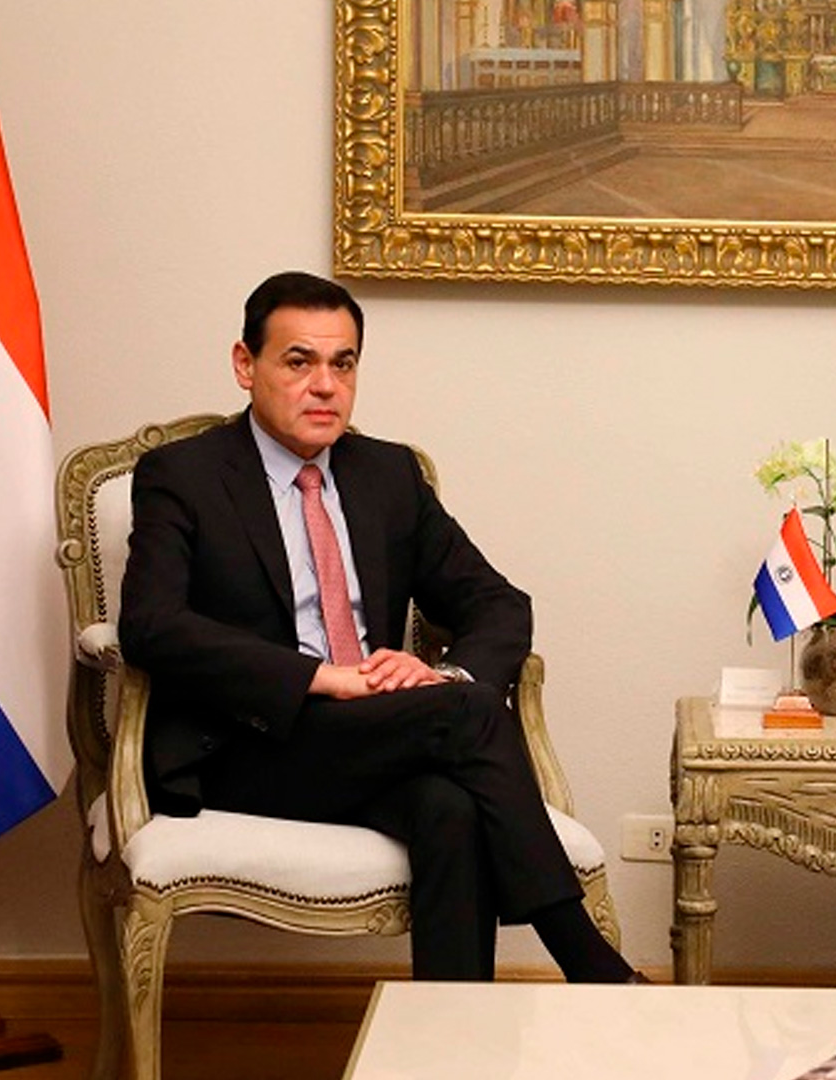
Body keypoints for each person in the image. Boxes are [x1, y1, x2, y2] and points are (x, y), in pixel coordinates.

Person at [119, 271, 640, 984]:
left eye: (344, 364)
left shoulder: (387, 475)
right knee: (468, 713)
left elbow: (498, 602)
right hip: (245, 747)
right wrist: (320, 677)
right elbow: (151, 625)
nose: (325, 386)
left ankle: (453, 1035)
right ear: (246, 365)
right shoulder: (183, 475)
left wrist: (441, 673)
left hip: (373, 736)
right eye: (298, 362)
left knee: (449, 807)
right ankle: (593, 966)